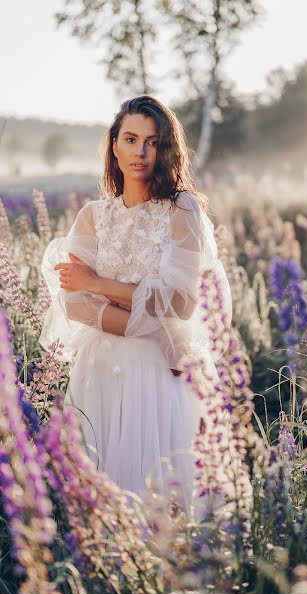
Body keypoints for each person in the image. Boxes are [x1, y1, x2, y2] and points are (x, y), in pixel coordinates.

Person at [38, 95, 232, 520]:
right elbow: (73, 300)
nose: (140, 152)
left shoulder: (182, 209)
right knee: (101, 497)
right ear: (114, 145)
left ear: (166, 150)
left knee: (162, 498)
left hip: (160, 372)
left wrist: (100, 284)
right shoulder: (92, 216)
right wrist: (153, 328)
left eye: (152, 141)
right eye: (130, 139)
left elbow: (181, 302)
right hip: (100, 371)